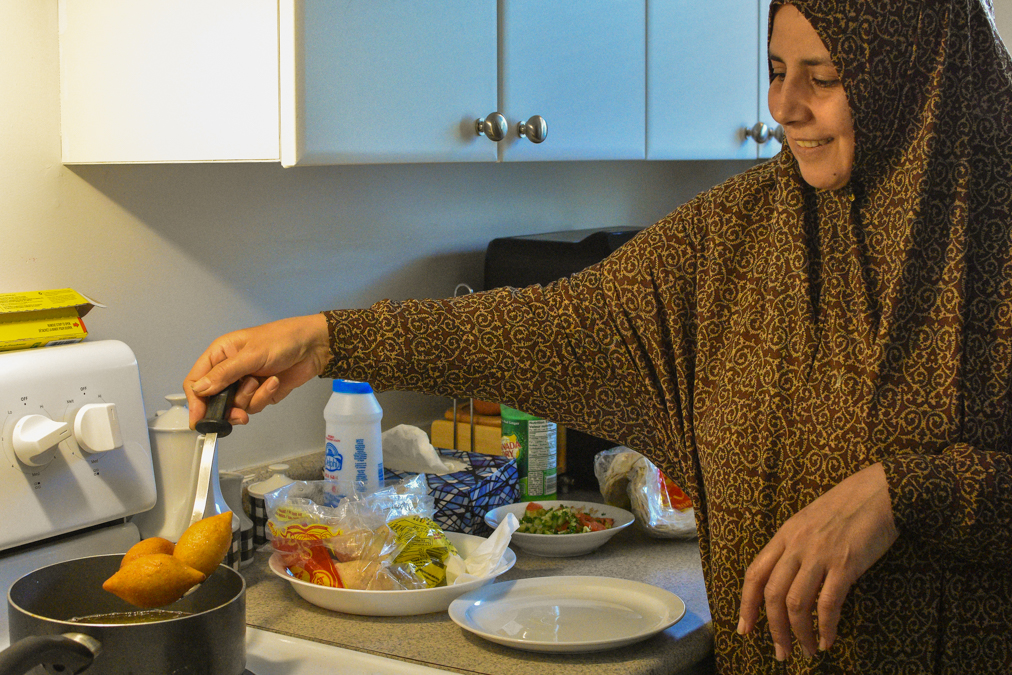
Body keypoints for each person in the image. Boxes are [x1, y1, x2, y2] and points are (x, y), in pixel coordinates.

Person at [185, 1, 1012, 672]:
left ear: (918, 82)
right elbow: (549, 327)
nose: (784, 106)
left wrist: (905, 493)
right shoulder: (737, 236)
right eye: (774, 70)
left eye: (824, 78)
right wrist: (328, 338)